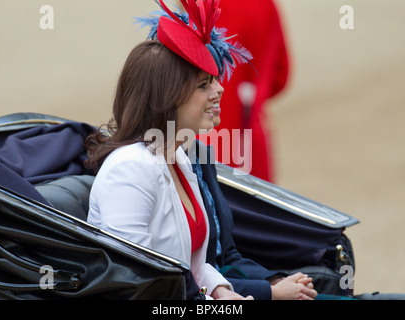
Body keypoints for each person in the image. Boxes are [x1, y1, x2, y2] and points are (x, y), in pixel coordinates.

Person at [85, 0, 253, 300]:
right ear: (166, 98)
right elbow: (138, 280)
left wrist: (225, 294)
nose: (219, 90)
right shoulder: (130, 170)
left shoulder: (177, 157)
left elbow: (192, 265)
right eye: (204, 85)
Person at [189, 79, 318, 300]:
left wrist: (272, 281)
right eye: (203, 83)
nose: (219, 88)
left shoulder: (197, 153)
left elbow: (223, 254)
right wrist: (271, 291)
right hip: (240, 131)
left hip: (228, 132)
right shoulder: (157, 164)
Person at [197, 0, 290, 182]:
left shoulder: (205, 4)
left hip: (208, 138)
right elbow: (281, 75)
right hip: (252, 136)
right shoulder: (266, 4)